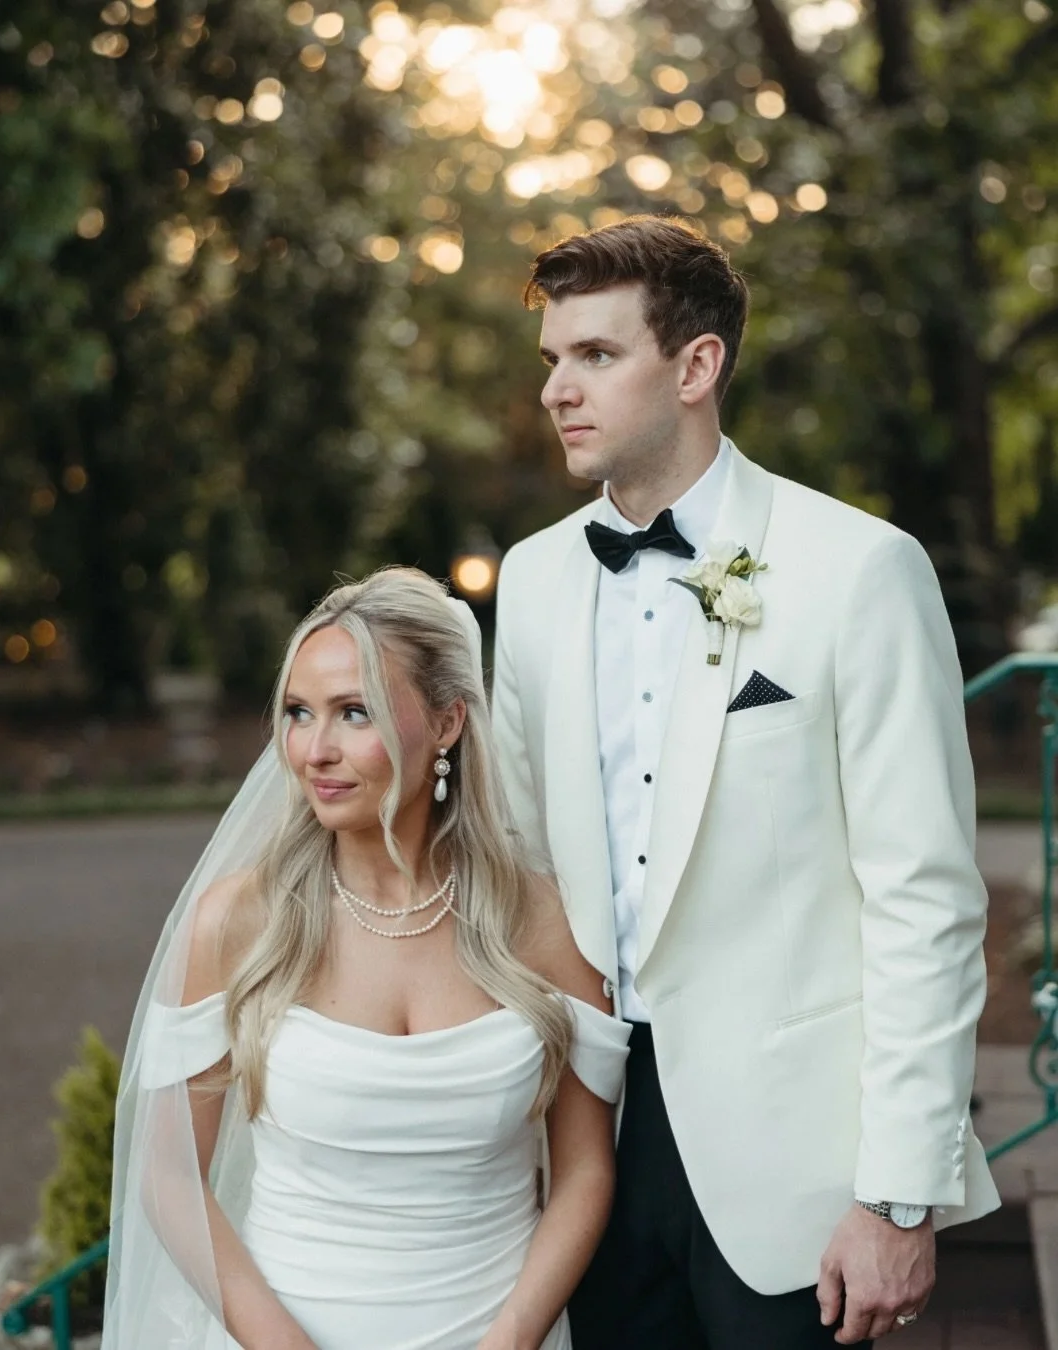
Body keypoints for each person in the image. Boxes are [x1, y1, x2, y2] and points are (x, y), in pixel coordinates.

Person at [490, 215, 1001, 1350]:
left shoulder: (860, 570)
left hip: (802, 1182)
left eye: (596, 356)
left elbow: (927, 901)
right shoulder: (528, 583)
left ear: (697, 366)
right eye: (551, 361)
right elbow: (521, 871)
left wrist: (897, 1193)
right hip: (591, 1155)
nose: (557, 390)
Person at [102, 568, 630, 1350]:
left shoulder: (542, 920)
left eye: (355, 713)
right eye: (298, 713)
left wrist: (515, 1334)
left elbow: (585, 1170)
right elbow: (169, 1173)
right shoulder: (242, 921)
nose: (316, 750)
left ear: (447, 723)